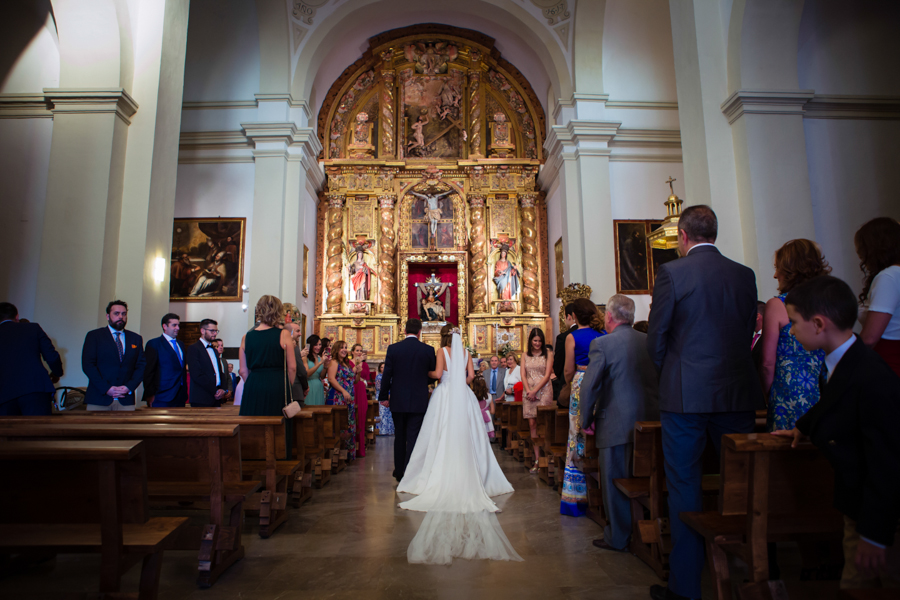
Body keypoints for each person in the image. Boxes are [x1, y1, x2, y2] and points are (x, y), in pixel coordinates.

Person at [646, 205, 762, 600]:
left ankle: (686, 588)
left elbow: (657, 338)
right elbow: (748, 330)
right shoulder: (744, 275)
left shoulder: (673, 273)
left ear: (681, 236)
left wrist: (676, 376)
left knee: (685, 487)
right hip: (736, 393)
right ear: (714, 232)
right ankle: (752, 574)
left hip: (685, 397)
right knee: (743, 485)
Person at [774, 275, 900, 590]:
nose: (790, 329)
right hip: (858, 510)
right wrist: (802, 427)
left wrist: (874, 534)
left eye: (794, 321)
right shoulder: (847, 360)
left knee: (872, 586)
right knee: (854, 588)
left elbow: (887, 462)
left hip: (880, 520)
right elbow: (833, 402)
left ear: (818, 324)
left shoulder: (871, 377)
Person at [398, 323, 522, 565]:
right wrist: (458, 380)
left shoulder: (442, 352)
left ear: (444, 336)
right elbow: (469, 377)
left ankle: (437, 469)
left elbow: (436, 374)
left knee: (439, 432)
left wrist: (430, 373)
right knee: (469, 432)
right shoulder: (466, 353)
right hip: (463, 395)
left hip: (444, 394)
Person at [580, 294, 660, 552]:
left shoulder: (602, 344)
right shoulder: (650, 341)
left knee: (614, 480)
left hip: (615, 423)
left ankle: (618, 536)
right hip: (651, 421)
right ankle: (649, 526)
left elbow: (589, 387)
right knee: (649, 476)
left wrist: (586, 419)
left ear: (610, 316)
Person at [760, 239, 831, 431]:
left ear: (791, 270)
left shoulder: (778, 305)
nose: (775, 275)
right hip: (824, 387)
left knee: (786, 455)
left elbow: (767, 363)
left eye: (778, 268)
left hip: (789, 391)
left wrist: (771, 395)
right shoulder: (828, 300)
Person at [560, 298, 604, 517]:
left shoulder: (572, 336)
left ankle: (577, 495)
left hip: (580, 383)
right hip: (601, 385)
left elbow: (568, 370)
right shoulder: (602, 334)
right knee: (598, 431)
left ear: (574, 316)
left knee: (576, 434)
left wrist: (572, 384)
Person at [379, 319, 436, 481]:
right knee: (413, 436)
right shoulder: (427, 350)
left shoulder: (394, 349)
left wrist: (383, 396)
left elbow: (387, 375)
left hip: (398, 400)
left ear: (405, 331)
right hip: (418, 400)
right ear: (419, 332)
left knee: (400, 436)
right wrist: (420, 383)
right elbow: (431, 375)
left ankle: (399, 471)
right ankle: (411, 471)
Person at [855, 217, 900, 376]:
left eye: (861, 249)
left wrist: (843, 356)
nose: (860, 256)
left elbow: (870, 337)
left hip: (889, 363)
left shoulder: (889, 277)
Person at [81, 300, 146, 411]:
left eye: (124, 314)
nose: (120, 316)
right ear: (108, 316)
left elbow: (141, 366)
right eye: (116, 313)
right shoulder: (94, 336)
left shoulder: (135, 338)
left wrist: (128, 387)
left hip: (125, 399)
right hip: (99, 398)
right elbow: (88, 365)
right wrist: (106, 388)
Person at [0, 302, 63, 416]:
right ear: (17, 316)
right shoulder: (33, 328)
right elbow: (52, 357)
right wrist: (56, 373)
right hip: (35, 389)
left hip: (4, 394)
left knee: (7, 432)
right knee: (38, 431)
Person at [238, 296, 296, 416]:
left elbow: (243, 371)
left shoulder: (246, 337)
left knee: (253, 427)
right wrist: (286, 386)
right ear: (278, 312)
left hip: (253, 385)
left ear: (259, 310)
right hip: (277, 384)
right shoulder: (284, 334)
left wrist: (253, 384)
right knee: (278, 428)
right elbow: (292, 368)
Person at [521, 328, 554, 472]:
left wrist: (535, 390)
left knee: (543, 424)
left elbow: (547, 375)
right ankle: (537, 460)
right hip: (529, 391)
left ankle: (547, 458)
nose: (538, 343)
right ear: (530, 341)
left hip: (544, 390)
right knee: (532, 424)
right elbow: (523, 374)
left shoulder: (548, 354)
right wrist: (529, 390)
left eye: (540, 341)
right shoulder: (524, 355)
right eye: (535, 340)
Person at [143, 313, 187, 408]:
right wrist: (150, 394)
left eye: (178, 325)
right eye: (174, 325)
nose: (178, 328)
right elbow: (148, 372)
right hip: (162, 396)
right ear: (164, 326)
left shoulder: (181, 344)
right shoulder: (154, 344)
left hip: (180, 396)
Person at [326, 340, 357, 460]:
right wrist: (344, 391)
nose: (344, 349)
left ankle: (346, 453)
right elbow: (331, 379)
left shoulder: (346, 363)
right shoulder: (334, 362)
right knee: (340, 424)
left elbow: (352, 379)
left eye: (346, 347)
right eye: (341, 348)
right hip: (338, 396)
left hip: (348, 397)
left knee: (348, 422)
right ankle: (337, 454)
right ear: (336, 349)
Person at [186, 319, 227, 407]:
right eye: (212, 331)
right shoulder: (193, 348)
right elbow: (197, 374)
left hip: (217, 398)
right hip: (201, 398)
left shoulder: (214, 351)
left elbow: (219, 372)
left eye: (216, 331)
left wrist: (223, 389)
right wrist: (214, 390)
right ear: (202, 331)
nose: (215, 333)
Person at [552, 303, 577, 401]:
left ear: (569, 317)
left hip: (567, 384)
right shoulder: (594, 333)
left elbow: (558, 366)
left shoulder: (563, 337)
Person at [350, 343, 371, 458]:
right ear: (352, 352)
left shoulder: (365, 365)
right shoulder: (348, 363)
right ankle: (351, 448)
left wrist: (362, 364)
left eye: (361, 350)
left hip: (361, 389)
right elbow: (349, 374)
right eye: (357, 350)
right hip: (352, 388)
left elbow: (366, 377)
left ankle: (360, 449)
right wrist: (358, 363)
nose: (359, 352)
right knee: (351, 417)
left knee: (361, 417)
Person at [287, 323, 309, 405]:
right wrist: (305, 387)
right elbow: (300, 371)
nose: (300, 334)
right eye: (298, 331)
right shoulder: (293, 347)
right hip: (295, 391)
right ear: (290, 333)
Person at [471, 374, 495, 439]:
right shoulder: (489, 396)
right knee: (485, 438)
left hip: (475, 417)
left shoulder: (471, 396)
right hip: (486, 420)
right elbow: (492, 411)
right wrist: (485, 411)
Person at [305, 335, 326, 405]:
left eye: (320, 345)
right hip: (309, 386)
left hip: (318, 386)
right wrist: (320, 363)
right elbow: (307, 374)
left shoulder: (320, 357)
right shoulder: (305, 357)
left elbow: (322, 376)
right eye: (316, 345)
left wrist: (325, 365)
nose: (318, 347)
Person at [375, 362, 394, 435]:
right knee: (381, 413)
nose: (383, 368)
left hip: (390, 396)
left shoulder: (390, 376)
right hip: (382, 395)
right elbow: (380, 387)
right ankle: (381, 431)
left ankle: (389, 430)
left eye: (385, 367)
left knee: (389, 414)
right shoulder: (379, 377)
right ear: (380, 369)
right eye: (382, 367)